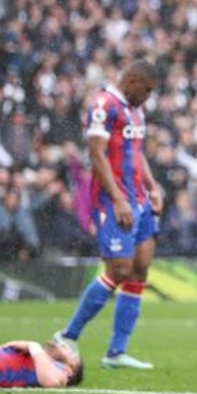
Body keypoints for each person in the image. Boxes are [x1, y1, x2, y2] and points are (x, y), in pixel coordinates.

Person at [54, 59, 164, 370]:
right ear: (133, 81)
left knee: (140, 268)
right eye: (148, 90)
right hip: (114, 201)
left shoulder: (136, 110)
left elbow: (137, 152)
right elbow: (95, 154)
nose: (149, 97)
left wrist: (153, 187)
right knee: (119, 268)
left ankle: (116, 352)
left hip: (139, 200)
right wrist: (117, 199)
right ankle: (67, 335)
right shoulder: (104, 105)